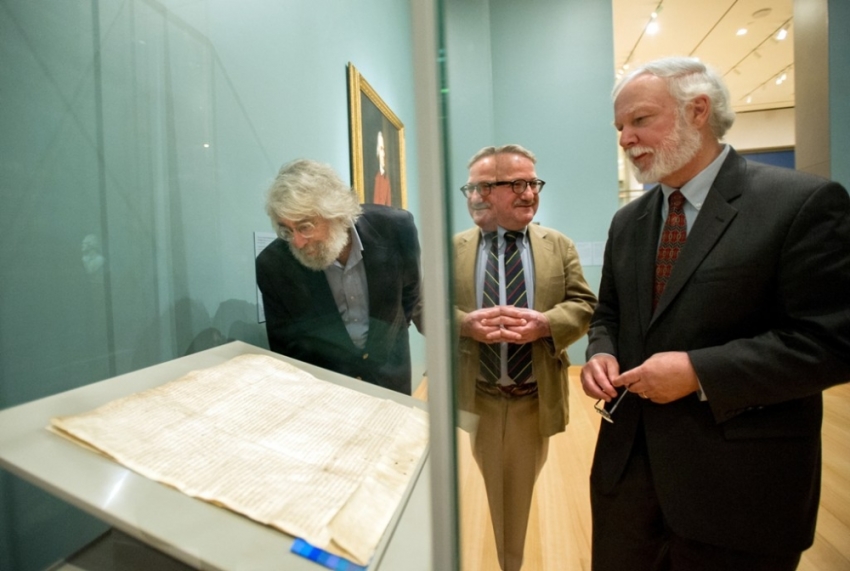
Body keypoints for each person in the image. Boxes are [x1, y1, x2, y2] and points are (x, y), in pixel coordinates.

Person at [581, 56, 850, 571]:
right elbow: (609, 313)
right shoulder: (629, 221)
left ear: (697, 110)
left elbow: (832, 344)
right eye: (619, 126)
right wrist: (601, 353)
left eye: (639, 120)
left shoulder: (801, 203)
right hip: (628, 481)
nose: (624, 138)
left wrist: (700, 372)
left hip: (739, 489)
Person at [454, 144, 597, 571]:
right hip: (480, 396)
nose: (530, 192)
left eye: (533, 182)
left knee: (521, 490)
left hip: (535, 397)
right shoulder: (452, 248)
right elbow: (426, 307)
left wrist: (546, 324)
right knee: (497, 491)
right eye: (516, 184)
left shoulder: (559, 245)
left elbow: (585, 304)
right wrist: (464, 324)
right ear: (481, 192)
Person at [256, 158, 422, 394]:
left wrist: (385, 339)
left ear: (336, 214)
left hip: (390, 376)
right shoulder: (272, 265)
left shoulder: (396, 228)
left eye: (305, 226)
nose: (298, 242)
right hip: (326, 391)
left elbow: (410, 293)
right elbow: (285, 347)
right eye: (286, 230)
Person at [372, 130, 392, 206]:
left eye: (383, 149)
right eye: (381, 149)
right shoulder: (374, 176)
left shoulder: (386, 178)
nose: (383, 154)